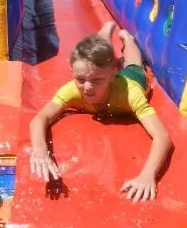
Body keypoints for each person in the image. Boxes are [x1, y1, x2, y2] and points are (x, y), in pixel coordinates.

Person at [29, 22, 172, 202]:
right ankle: (106, 30)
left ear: (112, 74)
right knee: (98, 50)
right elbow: (40, 118)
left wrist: (148, 175)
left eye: (96, 80)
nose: (87, 87)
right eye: (80, 79)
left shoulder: (130, 94)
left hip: (131, 78)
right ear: (72, 71)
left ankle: (127, 39)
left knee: (133, 64)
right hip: (105, 70)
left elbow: (162, 136)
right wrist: (40, 150)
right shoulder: (72, 89)